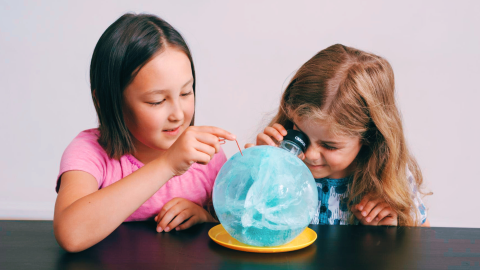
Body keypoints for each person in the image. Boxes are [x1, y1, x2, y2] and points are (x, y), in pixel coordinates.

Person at [53, 13, 236, 252]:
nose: (178, 115)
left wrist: (204, 217)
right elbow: (71, 234)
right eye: (157, 101)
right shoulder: (88, 153)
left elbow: (232, 230)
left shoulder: (206, 154)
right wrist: (167, 165)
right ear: (108, 101)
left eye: (185, 93)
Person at [247, 44, 430, 227]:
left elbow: (421, 243)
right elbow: (245, 223)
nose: (310, 154)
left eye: (329, 146)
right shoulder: (280, 164)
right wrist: (258, 173)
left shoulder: (390, 181)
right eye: (301, 135)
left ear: (369, 137)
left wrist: (390, 230)